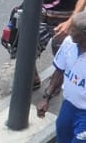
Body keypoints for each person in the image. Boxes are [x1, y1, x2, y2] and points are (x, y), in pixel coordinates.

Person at [35, 12, 86, 142]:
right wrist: (47, 98)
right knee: (62, 136)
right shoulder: (68, 43)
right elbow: (59, 72)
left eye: (73, 29)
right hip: (68, 106)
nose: (68, 31)